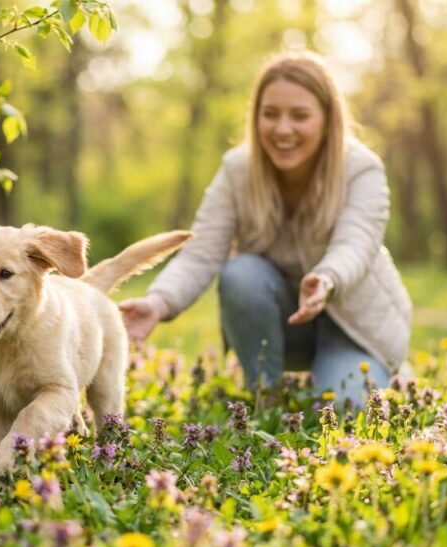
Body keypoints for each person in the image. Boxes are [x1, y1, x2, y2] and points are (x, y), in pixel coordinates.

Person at [119, 50, 412, 408]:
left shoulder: (361, 169)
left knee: (344, 408)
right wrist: (157, 303)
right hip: (285, 321)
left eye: (300, 116)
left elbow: (357, 244)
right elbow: (201, 252)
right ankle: (265, 400)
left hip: (352, 324)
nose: (282, 129)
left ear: (327, 119)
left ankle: (379, 371)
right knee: (240, 272)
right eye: (270, 114)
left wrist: (327, 279)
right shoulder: (237, 171)